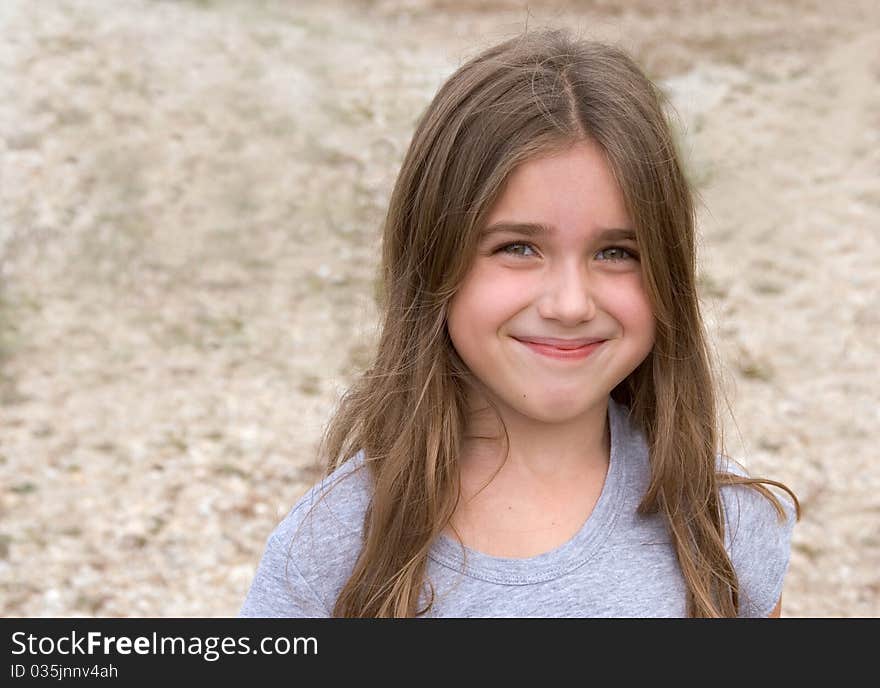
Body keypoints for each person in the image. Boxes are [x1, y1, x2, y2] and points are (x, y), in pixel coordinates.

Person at [239, 27, 799, 618]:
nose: (569, 304)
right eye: (518, 247)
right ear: (433, 257)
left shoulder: (726, 526)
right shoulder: (330, 551)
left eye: (616, 253)